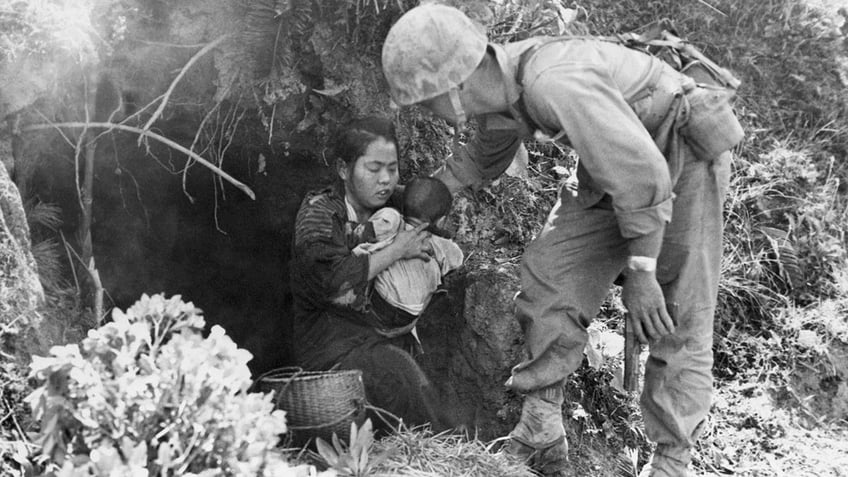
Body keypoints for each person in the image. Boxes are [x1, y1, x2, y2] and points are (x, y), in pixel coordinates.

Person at [381, 4, 743, 477]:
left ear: (453, 88)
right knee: (549, 272)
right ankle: (540, 428)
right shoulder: (504, 86)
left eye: (424, 102)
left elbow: (645, 178)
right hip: (614, 164)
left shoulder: (554, 82)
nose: (428, 112)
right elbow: (488, 149)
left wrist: (641, 272)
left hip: (679, 157)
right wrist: (442, 186)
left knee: (677, 317)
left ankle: (672, 460)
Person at [290, 116, 448, 431]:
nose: (386, 180)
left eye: (392, 169)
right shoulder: (319, 213)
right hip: (331, 354)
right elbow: (330, 282)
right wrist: (396, 250)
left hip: (383, 342)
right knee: (397, 372)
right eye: (373, 170)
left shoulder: (397, 202)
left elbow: (440, 213)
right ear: (344, 169)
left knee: (412, 372)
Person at [353, 177, 464, 337]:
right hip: (408, 315)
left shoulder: (391, 219)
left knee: (375, 255)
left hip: (378, 302)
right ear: (440, 222)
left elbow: (362, 234)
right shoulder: (442, 246)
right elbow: (458, 259)